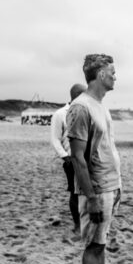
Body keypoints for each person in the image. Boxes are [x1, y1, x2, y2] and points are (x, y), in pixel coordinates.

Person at [67, 54, 126, 264]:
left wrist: (118, 184)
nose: (115, 76)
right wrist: (90, 197)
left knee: (102, 242)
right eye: (112, 72)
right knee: (93, 245)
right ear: (100, 74)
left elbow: (107, 148)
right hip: (96, 189)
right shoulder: (80, 108)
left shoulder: (100, 105)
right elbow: (78, 158)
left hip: (109, 186)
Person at [50, 83, 86, 234]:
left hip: (89, 159)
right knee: (75, 193)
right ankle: (78, 225)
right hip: (72, 159)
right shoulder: (60, 114)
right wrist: (66, 157)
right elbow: (55, 139)